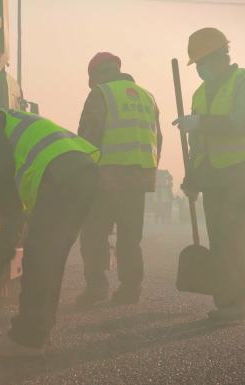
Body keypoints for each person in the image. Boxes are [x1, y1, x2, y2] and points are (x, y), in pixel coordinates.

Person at [0, 96, 100, 357]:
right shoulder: (2, 119)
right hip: (84, 173)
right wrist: (14, 225)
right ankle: (37, 335)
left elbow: (0, 174)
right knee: (50, 258)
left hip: (60, 176)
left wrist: (5, 244)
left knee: (39, 258)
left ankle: (26, 340)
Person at [174, 27, 245, 323]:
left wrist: (200, 122)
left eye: (204, 62)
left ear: (222, 56)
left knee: (233, 236)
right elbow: (198, 145)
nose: (201, 69)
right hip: (215, 177)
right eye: (198, 65)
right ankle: (226, 301)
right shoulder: (200, 93)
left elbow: (242, 122)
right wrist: (192, 179)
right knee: (219, 238)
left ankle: (238, 302)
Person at [76, 52, 163, 306]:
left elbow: (88, 137)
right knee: (130, 238)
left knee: (94, 233)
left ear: (95, 75)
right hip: (138, 180)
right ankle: (130, 289)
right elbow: (158, 139)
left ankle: (96, 287)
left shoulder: (101, 94)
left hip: (106, 178)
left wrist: (81, 173)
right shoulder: (148, 97)